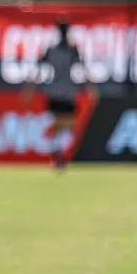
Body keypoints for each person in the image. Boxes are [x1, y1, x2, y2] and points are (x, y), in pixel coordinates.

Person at [36, 19, 92, 169]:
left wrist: (31, 87)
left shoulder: (59, 50)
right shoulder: (67, 50)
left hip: (57, 90)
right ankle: (57, 154)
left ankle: (57, 153)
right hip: (65, 91)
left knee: (65, 125)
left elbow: (39, 69)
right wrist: (90, 86)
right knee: (67, 123)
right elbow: (82, 69)